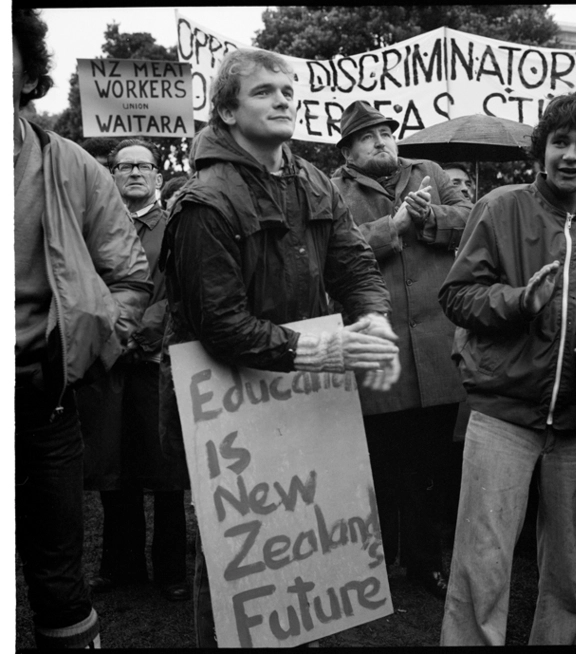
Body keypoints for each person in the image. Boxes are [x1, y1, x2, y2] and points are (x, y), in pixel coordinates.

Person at [159, 49, 401, 646]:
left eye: (290, 90)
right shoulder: (204, 200)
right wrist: (319, 353)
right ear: (226, 109)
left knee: (304, 540)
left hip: (298, 393)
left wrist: (373, 320)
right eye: (265, 91)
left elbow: (354, 263)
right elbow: (221, 324)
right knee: (234, 556)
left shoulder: (313, 179)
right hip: (225, 406)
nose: (284, 99)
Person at [438, 89, 576, 646]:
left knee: (565, 578)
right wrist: (518, 302)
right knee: (481, 565)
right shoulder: (501, 207)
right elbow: (456, 296)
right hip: (502, 415)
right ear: (541, 149)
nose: (570, 155)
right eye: (559, 142)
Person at [13, 8, 152, 648]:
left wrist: (88, 349)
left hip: (43, 397)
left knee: (58, 579)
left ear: (24, 67)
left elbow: (130, 276)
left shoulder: (70, 166)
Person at [331, 101, 472, 598]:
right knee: (380, 464)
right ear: (347, 150)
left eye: (387, 132)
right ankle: (376, 567)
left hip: (434, 351)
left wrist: (428, 215)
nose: (382, 141)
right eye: (368, 136)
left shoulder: (430, 172)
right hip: (379, 352)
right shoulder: (333, 190)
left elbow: (470, 219)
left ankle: (424, 563)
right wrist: (393, 229)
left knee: (430, 466)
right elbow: (335, 251)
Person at [77, 139, 190, 602]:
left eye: (144, 166)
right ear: (112, 176)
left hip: (155, 362)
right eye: (125, 166)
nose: (135, 173)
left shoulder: (178, 227)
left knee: (165, 471)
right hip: (105, 363)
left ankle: (170, 570)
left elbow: (181, 291)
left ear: (159, 177)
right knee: (113, 466)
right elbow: (81, 282)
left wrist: (141, 330)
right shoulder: (93, 229)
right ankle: (120, 566)